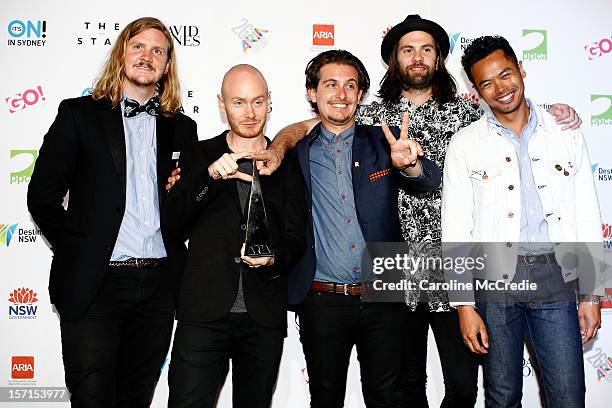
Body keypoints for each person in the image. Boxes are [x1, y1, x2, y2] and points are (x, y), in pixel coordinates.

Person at [250, 14, 583, 408]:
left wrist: (553, 112)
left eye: (427, 49)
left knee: (462, 385)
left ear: (439, 58)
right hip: (392, 265)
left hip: (457, 264)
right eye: (407, 50)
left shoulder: (468, 113)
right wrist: (278, 144)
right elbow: (309, 127)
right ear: (395, 60)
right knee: (406, 387)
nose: (418, 57)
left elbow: (514, 114)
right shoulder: (372, 114)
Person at [26, 17, 197, 408]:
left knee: (135, 399)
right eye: (139, 46)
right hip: (95, 286)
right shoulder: (79, 115)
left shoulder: (182, 128)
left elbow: (183, 210)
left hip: (158, 287)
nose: (147, 56)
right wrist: (79, 248)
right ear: (121, 53)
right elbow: (42, 197)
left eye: (158, 50)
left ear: (167, 66)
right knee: (92, 399)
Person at [442, 35, 603, 408]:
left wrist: (592, 293)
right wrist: (464, 305)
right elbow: (455, 230)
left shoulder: (565, 132)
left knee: (567, 394)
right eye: (487, 83)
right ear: (475, 90)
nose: (500, 88)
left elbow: (586, 214)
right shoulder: (465, 144)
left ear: (521, 70)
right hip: (494, 281)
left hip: (556, 277)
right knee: (501, 396)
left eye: (506, 74)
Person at [289, 49, 440, 407]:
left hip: (384, 294)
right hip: (322, 298)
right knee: (325, 398)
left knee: (384, 397)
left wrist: (412, 165)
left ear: (360, 95)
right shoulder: (296, 153)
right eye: (330, 85)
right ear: (313, 93)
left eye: (350, 86)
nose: (340, 94)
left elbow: (427, 182)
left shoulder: (382, 142)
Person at [164, 64, 307, 408]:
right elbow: (171, 224)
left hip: (263, 316)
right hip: (202, 312)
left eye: (257, 101)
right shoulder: (198, 154)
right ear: (221, 104)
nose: (249, 113)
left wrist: (274, 258)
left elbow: (296, 237)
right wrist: (210, 177)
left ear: (270, 101)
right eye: (238, 102)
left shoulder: (287, 162)